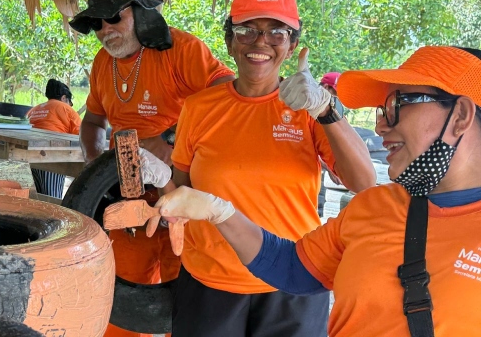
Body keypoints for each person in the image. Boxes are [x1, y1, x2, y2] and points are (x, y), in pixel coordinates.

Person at [155, 45, 481, 336]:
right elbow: (294, 268)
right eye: (381, 110)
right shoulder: (375, 207)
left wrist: (326, 110)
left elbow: (360, 173)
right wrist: (218, 211)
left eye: (396, 104)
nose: (381, 125)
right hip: (209, 281)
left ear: (461, 116)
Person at [166, 0, 376, 336]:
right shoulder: (199, 108)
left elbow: (365, 182)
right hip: (211, 280)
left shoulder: (309, 107)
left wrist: (325, 109)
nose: (260, 42)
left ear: (292, 45)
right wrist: (158, 181)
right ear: (230, 42)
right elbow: (182, 190)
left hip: (293, 280)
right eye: (246, 30)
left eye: (276, 32)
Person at [69, 0, 235, 337]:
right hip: (127, 196)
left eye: (114, 17)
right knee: (125, 294)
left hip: (182, 190)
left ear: (140, 13)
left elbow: (229, 94)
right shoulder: (102, 64)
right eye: (96, 22)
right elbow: (93, 122)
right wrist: (96, 170)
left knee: (187, 294)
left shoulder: (181, 49)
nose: (104, 29)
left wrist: (171, 139)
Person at [26, 79, 81, 198]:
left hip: (28, 156)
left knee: (38, 197)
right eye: (69, 102)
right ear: (63, 98)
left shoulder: (34, 110)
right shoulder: (67, 109)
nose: (70, 105)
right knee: (52, 199)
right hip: (52, 157)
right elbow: (81, 136)